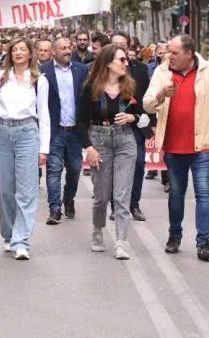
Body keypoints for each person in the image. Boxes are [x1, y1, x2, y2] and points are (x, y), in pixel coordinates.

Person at [145, 35, 209, 260]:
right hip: (173, 147)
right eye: (169, 52)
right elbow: (147, 103)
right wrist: (161, 95)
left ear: (189, 53)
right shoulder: (162, 72)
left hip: (203, 146)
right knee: (176, 194)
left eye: (175, 52)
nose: (170, 56)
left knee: (204, 194)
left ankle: (204, 242)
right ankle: (174, 236)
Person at [0, 39, 51, 260]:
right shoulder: (2, 78)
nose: (19, 53)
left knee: (26, 189)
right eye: (15, 50)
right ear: (10, 54)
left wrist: (44, 148)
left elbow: (44, 115)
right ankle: (8, 233)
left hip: (27, 133)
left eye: (23, 49)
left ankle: (21, 240)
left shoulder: (38, 81)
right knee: (4, 189)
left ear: (31, 54)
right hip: (2, 132)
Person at [78, 45, 144, 260]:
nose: (126, 64)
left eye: (126, 60)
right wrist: (89, 147)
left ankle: (121, 241)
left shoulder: (131, 86)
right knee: (102, 195)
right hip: (99, 139)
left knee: (122, 194)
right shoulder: (91, 87)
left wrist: (132, 118)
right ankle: (98, 230)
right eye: (122, 60)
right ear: (108, 63)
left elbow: (143, 116)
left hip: (125, 140)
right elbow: (80, 121)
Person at [42, 37, 89, 224]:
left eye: (69, 48)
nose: (67, 51)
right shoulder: (43, 72)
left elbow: (86, 99)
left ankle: (69, 198)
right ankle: (55, 209)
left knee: (75, 169)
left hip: (75, 130)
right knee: (53, 169)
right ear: (54, 52)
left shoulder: (81, 70)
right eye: (63, 48)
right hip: (54, 130)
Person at [112, 32, 153, 222]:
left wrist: (148, 122)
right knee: (115, 167)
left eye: (122, 45)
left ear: (128, 48)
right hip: (111, 127)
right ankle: (116, 205)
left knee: (137, 164)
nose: (119, 48)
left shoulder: (141, 69)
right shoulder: (101, 69)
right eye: (115, 44)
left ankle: (134, 204)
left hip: (135, 124)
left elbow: (146, 98)